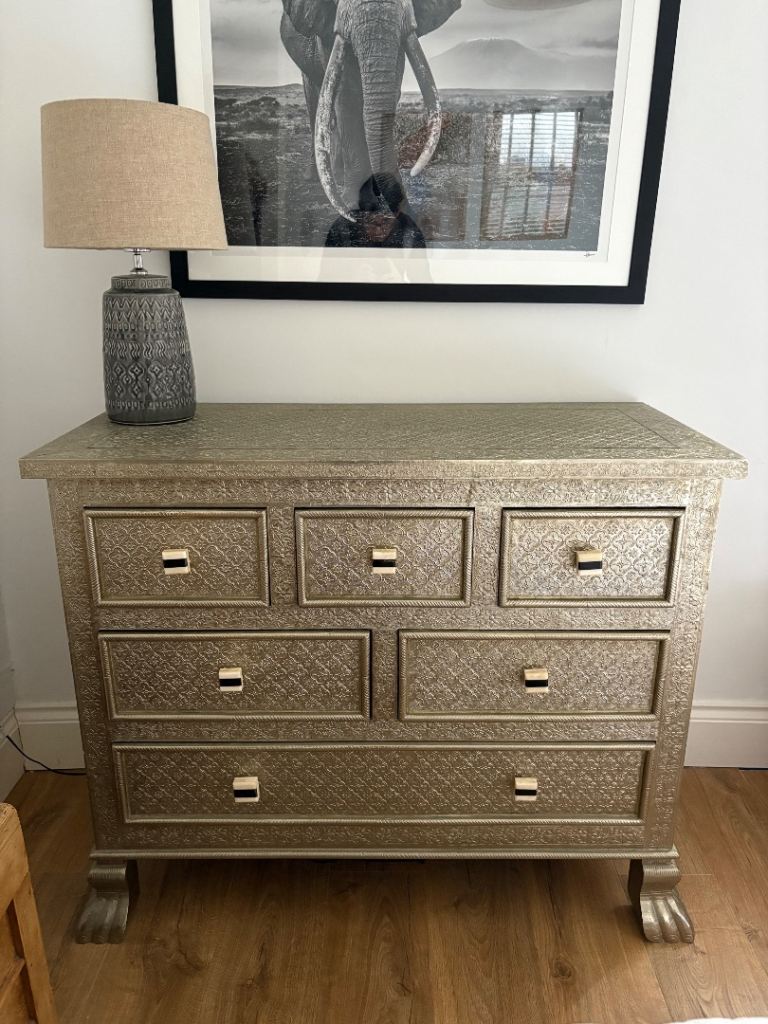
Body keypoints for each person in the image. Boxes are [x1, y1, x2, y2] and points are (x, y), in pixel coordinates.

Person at [325, 173, 427, 249]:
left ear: (397, 214)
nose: (378, 232)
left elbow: (420, 269)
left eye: (386, 222)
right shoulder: (343, 228)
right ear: (360, 216)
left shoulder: (409, 230)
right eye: (371, 222)